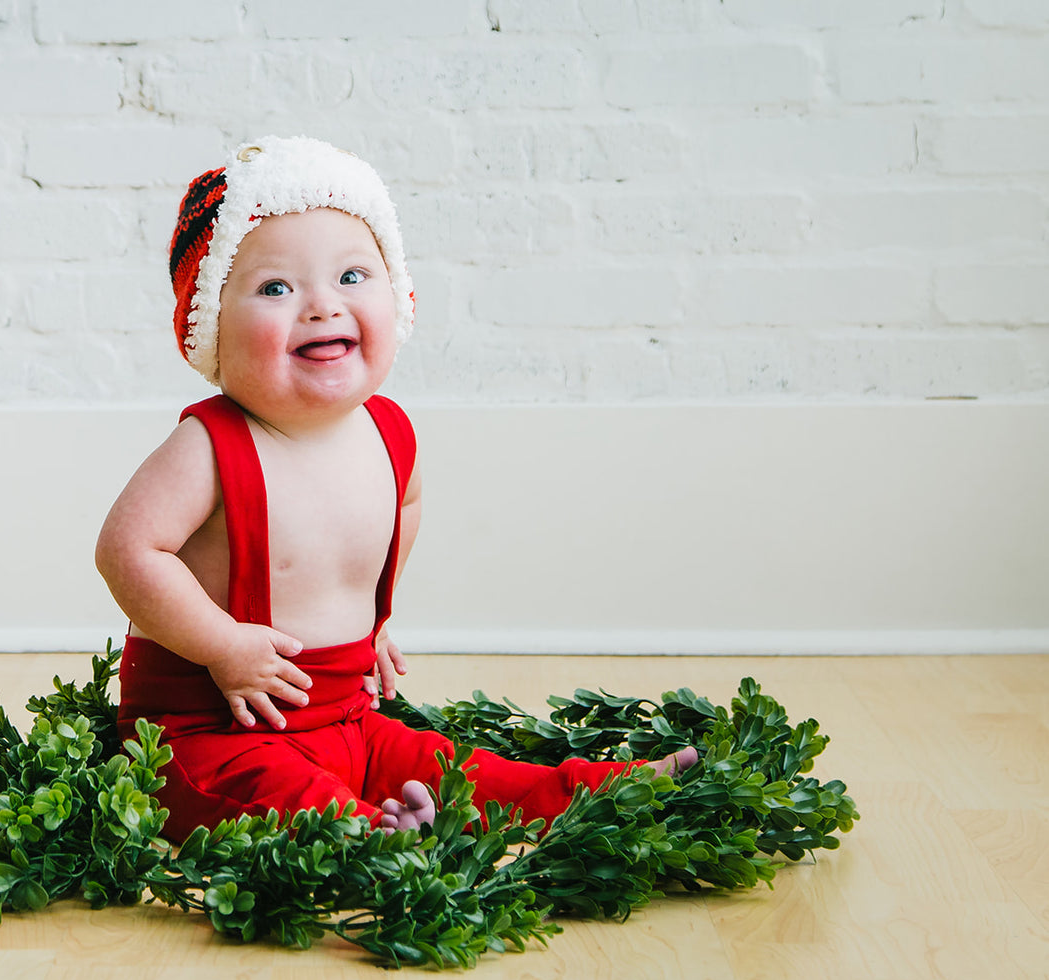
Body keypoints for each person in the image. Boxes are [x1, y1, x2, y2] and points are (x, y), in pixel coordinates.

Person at [96, 136, 696, 842]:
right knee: (277, 795)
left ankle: (581, 793)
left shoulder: (387, 432)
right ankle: (368, 834)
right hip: (216, 730)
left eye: (352, 276)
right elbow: (128, 550)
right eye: (275, 289)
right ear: (210, 331)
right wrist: (223, 645)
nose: (322, 306)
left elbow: (401, 509)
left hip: (348, 717)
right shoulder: (208, 446)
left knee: (451, 766)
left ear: (398, 297)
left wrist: (373, 619)